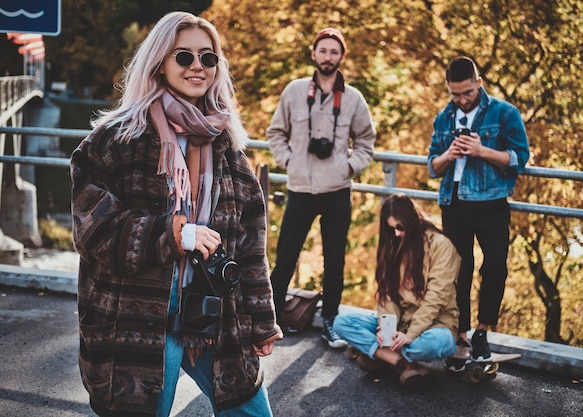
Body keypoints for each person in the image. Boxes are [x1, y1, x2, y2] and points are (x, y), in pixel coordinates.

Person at [70, 12, 282, 417]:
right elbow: (92, 233)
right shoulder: (113, 141)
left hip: (214, 315)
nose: (197, 66)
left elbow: (251, 243)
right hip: (136, 321)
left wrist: (262, 319)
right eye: (183, 56)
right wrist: (176, 234)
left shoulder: (227, 147)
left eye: (208, 57)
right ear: (160, 62)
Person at [266, 27, 376, 348]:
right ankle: (269, 319)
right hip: (300, 188)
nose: (328, 57)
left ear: (342, 57)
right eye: (323, 50)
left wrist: (349, 166)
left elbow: (366, 141)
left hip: (337, 191)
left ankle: (331, 322)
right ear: (313, 53)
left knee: (335, 261)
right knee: (285, 257)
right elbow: (275, 133)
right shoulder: (294, 91)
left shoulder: (353, 98)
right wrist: (290, 161)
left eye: (334, 51)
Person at [427, 56, 530, 369]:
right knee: (460, 269)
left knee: (495, 265)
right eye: (455, 94)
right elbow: (432, 166)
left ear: (479, 83)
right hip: (454, 201)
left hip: (491, 201)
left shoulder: (504, 112)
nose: (461, 100)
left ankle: (483, 332)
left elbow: (521, 158)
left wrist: (481, 150)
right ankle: (461, 334)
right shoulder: (444, 117)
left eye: (468, 93)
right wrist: (449, 155)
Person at [333, 194, 461, 386]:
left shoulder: (441, 245)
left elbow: (437, 297)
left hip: (434, 324)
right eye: (391, 229)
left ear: (412, 221)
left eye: (400, 227)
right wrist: (386, 329)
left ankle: (380, 356)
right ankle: (400, 362)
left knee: (437, 343)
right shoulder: (393, 244)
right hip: (399, 325)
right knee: (341, 322)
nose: (397, 233)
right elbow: (387, 293)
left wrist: (411, 334)